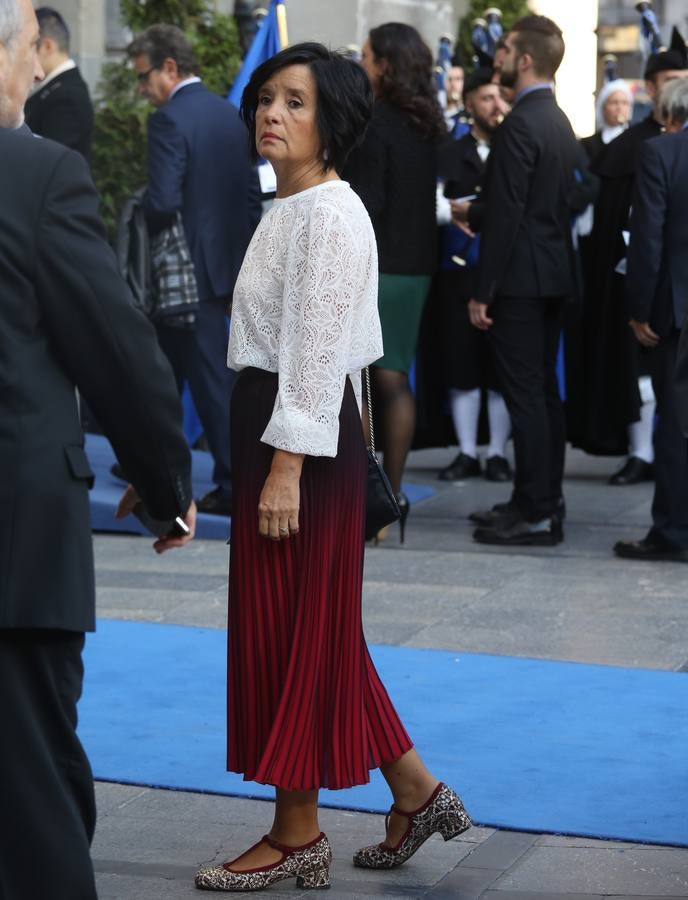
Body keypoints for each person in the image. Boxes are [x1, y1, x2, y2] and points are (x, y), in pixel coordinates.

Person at [193, 43, 471, 894]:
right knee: (318, 634)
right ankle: (416, 793)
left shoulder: (327, 214)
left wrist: (284, 470)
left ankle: (296, 835)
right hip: (291, 434)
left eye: (296, 102)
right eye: (267, 98)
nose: (271, 113)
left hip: (299, 444)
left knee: (291, 637)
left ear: (334, 122)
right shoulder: (295, 204)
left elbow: (315, 358)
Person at [0, 1, 196, 897]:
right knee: (30, 790)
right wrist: (165, 486)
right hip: (15, 544)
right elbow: (115, 348)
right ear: (16, 55)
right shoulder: (36, 172)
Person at [455, 15, 580, 546]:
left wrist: (484, 291)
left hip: (521, 280)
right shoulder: (558, 120)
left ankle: (535, 510)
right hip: (553, 271)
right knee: (543, 395)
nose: (497, 56)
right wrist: (479, 211)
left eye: (504, 48)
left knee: (527, 396)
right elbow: (548, 201)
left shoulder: (521, 123)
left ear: (525, 59)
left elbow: (509, 211)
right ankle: (541, 499)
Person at [128, 25, 262, 517]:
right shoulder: (231, 114)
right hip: (226, 264)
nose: (142, 89)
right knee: (177, 373)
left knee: (200, 381)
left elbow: (163, 202)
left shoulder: (168, 121)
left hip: (183, 275)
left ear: (169, 67)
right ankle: (150, 465)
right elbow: (252, 197)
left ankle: (230, 482)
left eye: (144, 78)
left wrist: (137, 209)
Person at [343, 23, 446, 541]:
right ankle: (393, 497)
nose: (360, 63)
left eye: (364, 56)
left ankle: (366, 504)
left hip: (378, 263)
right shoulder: (427, 121)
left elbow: (369, 202)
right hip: (418, 266)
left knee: (361, 380)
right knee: (395, 376)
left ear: (384, 64)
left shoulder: (375, 123)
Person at [573, 32, 687, 483]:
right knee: (640, 374)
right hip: (639, 281)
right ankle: (641, 452)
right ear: (654, 89)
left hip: (669, 288)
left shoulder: (662, 149)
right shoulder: (635, 146)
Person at [614, 78, 688, 562]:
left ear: (667, 112)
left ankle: (672, 530)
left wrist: (638, 311)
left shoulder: (661, 152)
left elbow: (648, 239)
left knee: (676, 424)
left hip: (675, 313)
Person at [435, 67, 512, 483]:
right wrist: (452, 212)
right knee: (461, 360)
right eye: (486, 98)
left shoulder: (515, 146)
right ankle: (466, 450)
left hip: (504, 272)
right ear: (470, 104)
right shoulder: (449, 150)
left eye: (500, 98)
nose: (495, 106)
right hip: (458, 270)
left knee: (500, 367)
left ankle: (497, 452)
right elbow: (433, 198)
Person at [24, 6, 93, 161]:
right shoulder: (59, 86)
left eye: (31, 46)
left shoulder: (68, 95)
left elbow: (50, 159)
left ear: (47, 46)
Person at [580, 79, 633, 164]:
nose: (619, 108)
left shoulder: (637, 140)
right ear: (603, 108)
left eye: (624, 103)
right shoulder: (588, 144)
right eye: (614, 103)